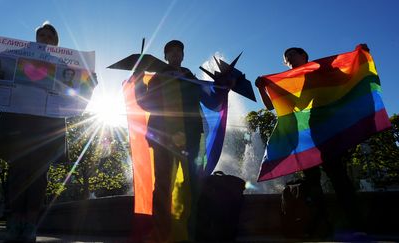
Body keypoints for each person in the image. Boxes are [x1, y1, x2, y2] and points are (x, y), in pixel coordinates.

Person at [256, 47, 364, 237]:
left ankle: (356, 223)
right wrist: (261, 87)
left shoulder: (320, 70)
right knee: (312, 181)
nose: (289, 59)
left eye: (292, 55)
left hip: (329, 131)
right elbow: (270, 106)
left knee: (338, 176)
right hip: (307, 135)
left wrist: (360, 57)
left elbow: (346, 77)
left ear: (304, 56)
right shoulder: (288, 82)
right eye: (286, 59)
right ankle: (320, 224)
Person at [134, 40, 233, 242]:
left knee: (191, 183)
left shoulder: (190, 77)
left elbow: (211, 100)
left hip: (191, 136)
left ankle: (189, 231)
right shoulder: (158, 77)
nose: (175, 54)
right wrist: (137, 78)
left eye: (179, 51)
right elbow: (145, 103)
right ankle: (161, 232)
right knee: (162, 184)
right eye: (171, 51)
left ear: (183, 55)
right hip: (162, 136)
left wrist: (224, 85)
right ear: (166, 56)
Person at [0, 22, 68, 243]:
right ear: (36, 38)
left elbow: (72, 91)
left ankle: (30, 225)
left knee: (38, 177)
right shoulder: (18, 55)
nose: (44, 39)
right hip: (18, 123)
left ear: (55, 42)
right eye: (41, 35)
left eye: (49, 36)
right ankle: (15, 223)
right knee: (17, 174)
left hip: (45, 127)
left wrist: (88, 83)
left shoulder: (61, 62)